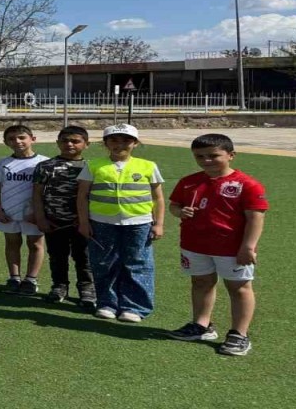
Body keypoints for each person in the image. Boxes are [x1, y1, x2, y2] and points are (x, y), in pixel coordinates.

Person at [167, 134, 268, 356]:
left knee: (239, 288)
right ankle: (202, 325)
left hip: (232, 248)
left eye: (214, 156)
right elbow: (174, 206)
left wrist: (248, 247)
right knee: (201, 283)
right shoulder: (189, 181)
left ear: (231, 155)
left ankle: (239, 334)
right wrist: (180, 211)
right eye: (200, 156)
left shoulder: (247, 184)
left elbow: (255, 218)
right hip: (194, 245)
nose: (206, 160)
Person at [77, 124, 165, 323]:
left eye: (126, 140)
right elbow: (82, 196)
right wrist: (84, 222)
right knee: (104, 263)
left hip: (139, 223)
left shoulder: (148, 166)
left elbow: (158, 197)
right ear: (105, 143)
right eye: (114, 140)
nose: (120, 145)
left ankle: (134, 307)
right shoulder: (93, 165)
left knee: (137, 263)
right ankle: (107, 303)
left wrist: (158, 223)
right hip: (101, 222)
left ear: (135, 143)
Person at [31, 126, 97, 307]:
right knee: (57, 256)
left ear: (86, 144)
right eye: (65, 141)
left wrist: (88, 221)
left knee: (84, 257)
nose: (69, 144)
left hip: (82, 223)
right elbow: (37, 194)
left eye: (75, 141)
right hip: (54, 222)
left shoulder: (91, 167)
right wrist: (41, 218)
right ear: (57, 143)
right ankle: (59, 286)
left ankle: (87, 289)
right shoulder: (45, 166)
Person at [0, 125, 49, 295]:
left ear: (33, 139)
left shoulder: (44, 162)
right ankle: (14, 278)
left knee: (35, 244)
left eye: (22, 137)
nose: (17, 141)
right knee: (12, 243)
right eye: (11, 139)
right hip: (9, 213)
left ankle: (31, 280)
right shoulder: (3, 163)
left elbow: (48, 190)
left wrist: (39, 213)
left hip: (33, 215)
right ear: (5, 142)